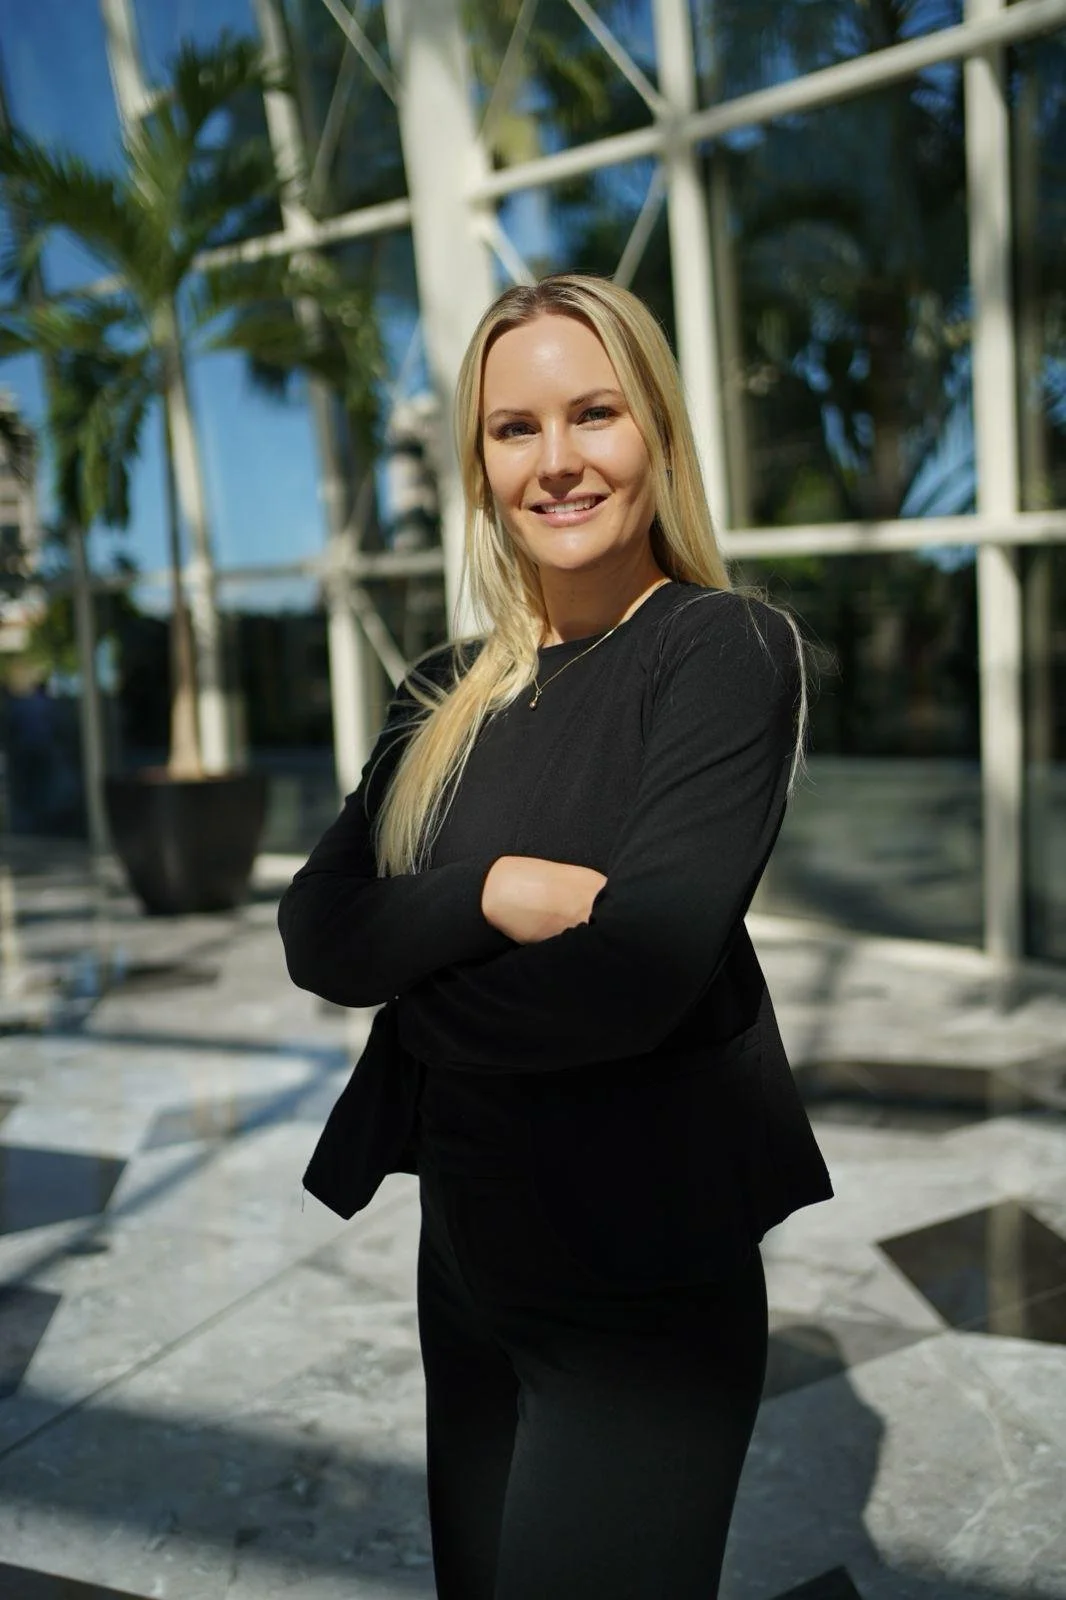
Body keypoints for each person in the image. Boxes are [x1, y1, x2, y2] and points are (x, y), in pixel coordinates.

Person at [278, 272, 833, 1599]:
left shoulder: (719, 652)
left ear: (656, 433)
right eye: (513, 428)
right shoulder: (441, 693)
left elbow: (623, 987)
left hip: (638, 1285)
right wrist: (489, 895)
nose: (559, 461)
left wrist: (406, 970)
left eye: (595, 413)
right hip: (466, 1269)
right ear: (476, 464)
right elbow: (314, 933)